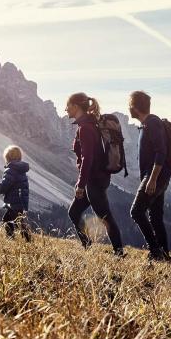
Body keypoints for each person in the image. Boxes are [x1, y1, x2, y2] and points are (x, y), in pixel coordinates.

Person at [66, 93, 125, 257]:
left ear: (76, 107)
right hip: (98, 178)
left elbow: (87, 158)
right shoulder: (91, 124)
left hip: (94, 180)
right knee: (74, 212)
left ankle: (119, 253)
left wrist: (81, 184)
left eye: (68, 105)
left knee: (105, 216)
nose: (66, 109)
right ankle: (87, 244)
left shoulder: (85, 128)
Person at [128, 91, 171, 262]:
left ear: (135, 107)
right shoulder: (146, 124)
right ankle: (165, 256)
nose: (128, 108)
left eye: (130, 104)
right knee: (155, 217)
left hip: (155, 176)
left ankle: (155, 251)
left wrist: (152, 179)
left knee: (136, 212)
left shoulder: (152, 123)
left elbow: (161, 152)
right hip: (158, 175)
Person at [0, 145, 32, 241]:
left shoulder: (11, 170)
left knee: (11, 221)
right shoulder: (21, 169)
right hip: (20, 200)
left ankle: (14, 240)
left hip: (14, 201)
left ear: (7, 157)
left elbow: (5, 185)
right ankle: (24, 241)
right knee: (16, 220)